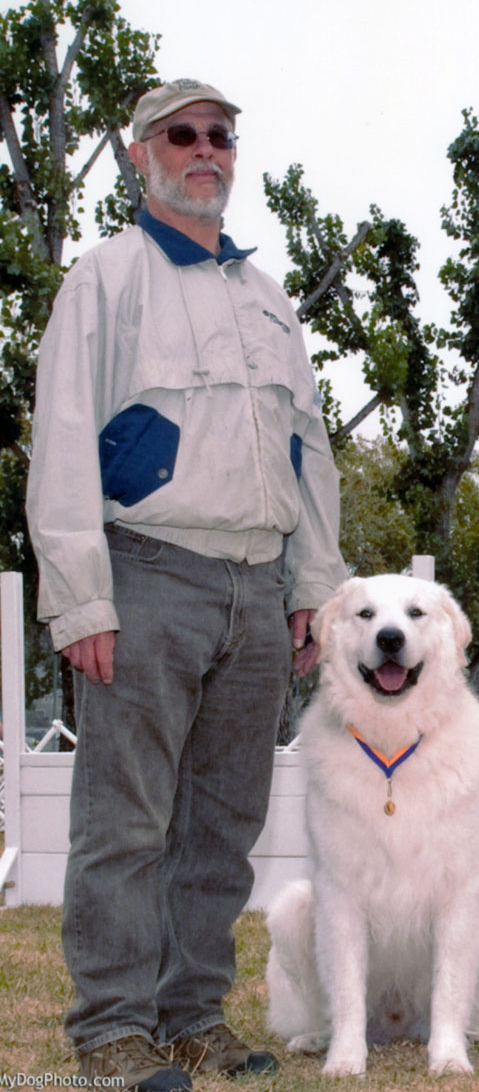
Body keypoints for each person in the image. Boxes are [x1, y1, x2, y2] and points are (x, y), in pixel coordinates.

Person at [26, 79, 346, 1091]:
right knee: (124, 819)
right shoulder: (105, 278)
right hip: (149, 574)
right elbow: (65, 439)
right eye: (182, 134)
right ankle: (113, 1030)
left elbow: (309, 452)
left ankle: (191, 1014)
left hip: (258, 587)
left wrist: (315, 586)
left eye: (220, 135)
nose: (204, 149)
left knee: (224, 821)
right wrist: (81, 595)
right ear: (140, 154)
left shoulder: (268, 298)